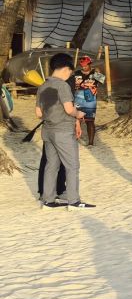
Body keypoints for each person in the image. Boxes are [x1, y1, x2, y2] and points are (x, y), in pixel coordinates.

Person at [37, 53, 90, 208]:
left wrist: (52, 115)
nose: (69, 75)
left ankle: (48, 199)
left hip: (48, 131)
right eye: (70, 72)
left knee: (51, 165)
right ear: (66, 69)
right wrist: (78, 114)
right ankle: (73, 201)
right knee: (72, 165)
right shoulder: (62, 85)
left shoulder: (43, 86)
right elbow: (69, 109)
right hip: (63, 132)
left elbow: (38, 113)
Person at [72, 54, 104, 146]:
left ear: (90, 64)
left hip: (91, 101)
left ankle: (91, 143)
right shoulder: (76, 73)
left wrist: (98, 73)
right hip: (78, 99)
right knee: (76, 120)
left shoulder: (95, 73)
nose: (84, 67)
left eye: (86, 65)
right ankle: (74, 141)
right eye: (82, 65)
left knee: (90, 121)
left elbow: (102, 80)